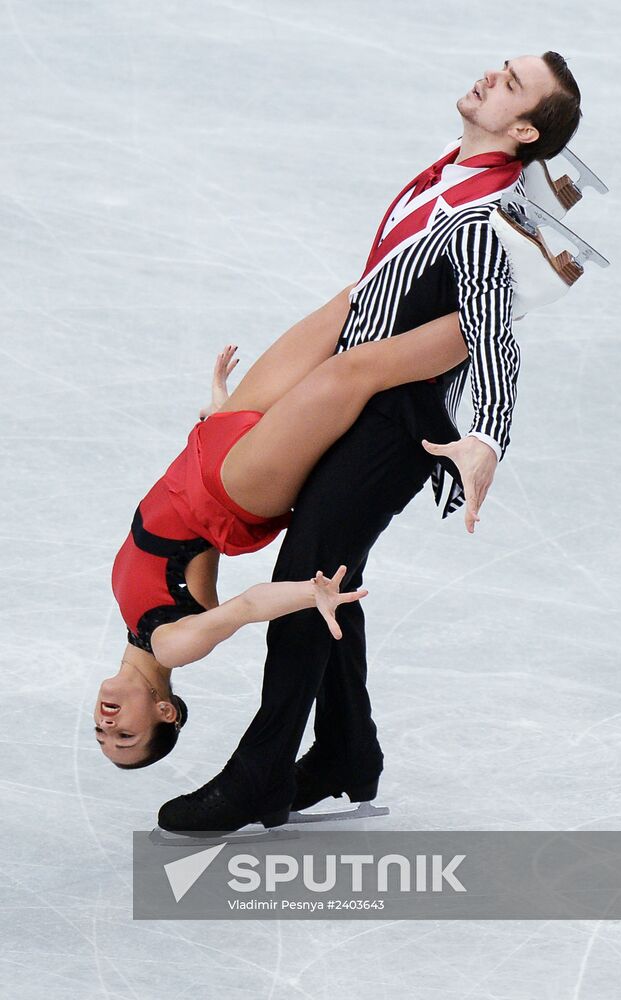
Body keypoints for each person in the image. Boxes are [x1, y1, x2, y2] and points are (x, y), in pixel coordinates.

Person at [156, 51, 584, 834]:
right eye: (499, 68)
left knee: (307, 574)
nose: (490, 78)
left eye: (511, 86)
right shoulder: (444, 176)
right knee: (331, 569)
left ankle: (260, 774)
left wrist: (487, 435)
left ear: (522, 129)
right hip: (360, 401)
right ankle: (349, 752)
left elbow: (492, 330)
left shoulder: (481, 219)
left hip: (399, 428)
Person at [96, 308, 469, 772]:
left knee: (355, 306)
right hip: (237, 484)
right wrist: (311, 592)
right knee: (359, 370)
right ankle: (500, 308)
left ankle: (475, 261)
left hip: (212, 442)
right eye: (125, 736)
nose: (108, 725)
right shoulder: (171, 646)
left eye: (102, 734)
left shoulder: (134, 624)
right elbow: (248, 606)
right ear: (164, 712)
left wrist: (218, 406)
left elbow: (173, 520)